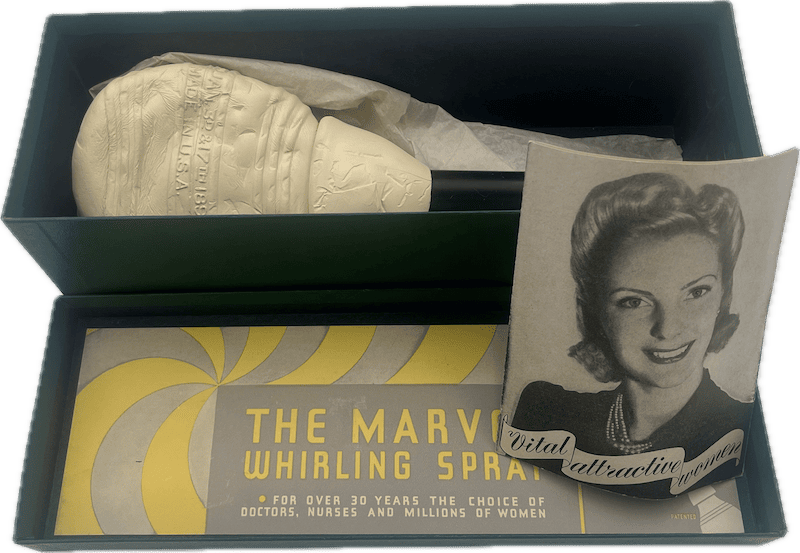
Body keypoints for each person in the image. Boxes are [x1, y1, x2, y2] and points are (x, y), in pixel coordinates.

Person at [512, 172, 753, 475]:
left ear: (723, 297)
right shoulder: (545, 414)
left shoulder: (744, 431)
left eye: (696, 292)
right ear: (596, 312)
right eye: (634, 302)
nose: (667, 329)